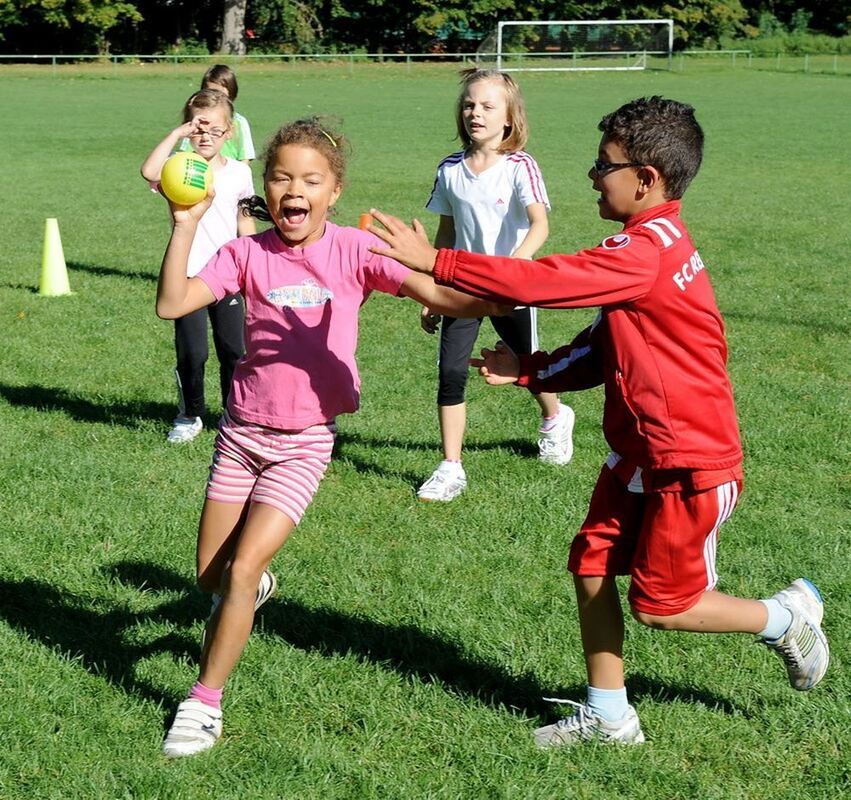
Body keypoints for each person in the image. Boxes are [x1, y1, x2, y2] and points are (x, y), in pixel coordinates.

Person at [367, 96, 829, 745]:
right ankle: (609, 716)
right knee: (590, 564)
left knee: (662, 606)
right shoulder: (643, 248)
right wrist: (530, 370)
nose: (590, 174)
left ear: (645, 180)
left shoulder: (645, 252)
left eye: (602, 164)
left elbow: (538, 282)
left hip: (687, 462)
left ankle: (783, 618)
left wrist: (435, 260)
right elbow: (600, 345)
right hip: (638, 450)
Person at [155, 118, 508, 758]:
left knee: (238, 572)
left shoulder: (354, 250)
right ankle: (250, 587)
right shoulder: (244, 253)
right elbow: (173, 303)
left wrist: (496, 292)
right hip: (239, 436)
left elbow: (444, 297)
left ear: (334, 190)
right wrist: (184, 225)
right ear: (266, 186)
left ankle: (203, 705)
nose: (295, 190)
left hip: (305, 442)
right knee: (212, 578)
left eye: (311, 180)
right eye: (283, 177)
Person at [416, 68, 575, 503]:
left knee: (530, 367)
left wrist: (512, 270)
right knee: (450, 373)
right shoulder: (449, 170)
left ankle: (555, 418)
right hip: (462, 289)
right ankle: (451, 467)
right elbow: (446, 235)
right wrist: (433, 288)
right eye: (469, 104)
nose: (476, 113)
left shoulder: (521, 166)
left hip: (512, 290)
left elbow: (540, 225)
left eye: (487, 106)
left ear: (509, 117)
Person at [141, 89, 256, 443]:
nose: (206, 137)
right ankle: (189, 415)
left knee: (234, 351)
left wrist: (251, 270)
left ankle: (233, 415)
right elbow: (148, 171)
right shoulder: (179, 167)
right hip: (188, 275)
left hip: (228, 276)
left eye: (215, 130)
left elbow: (246, 223)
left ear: (229, 132)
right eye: (198, 129)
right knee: (193, 351)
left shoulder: (239, 174)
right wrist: (178, 134)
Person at [178, 64, 256, 164]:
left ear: (231, 93)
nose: (215, 97)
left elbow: (246, 156)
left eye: (220, 93)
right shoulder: (197, 121)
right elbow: (185, 151)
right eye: (210, 91)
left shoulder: (239, 122)